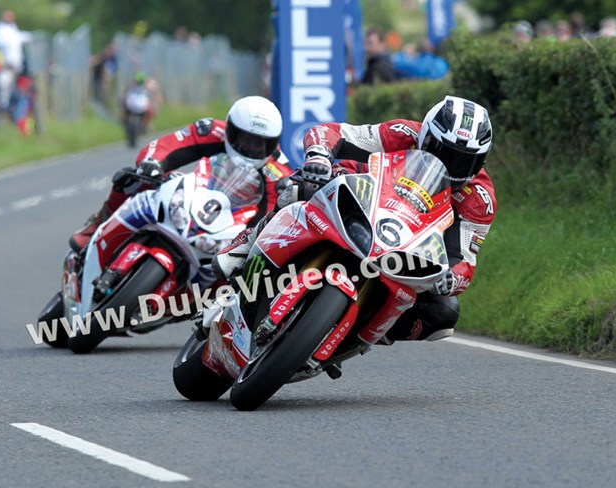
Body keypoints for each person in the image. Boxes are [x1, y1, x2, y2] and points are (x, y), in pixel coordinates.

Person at [213, 95, 496, 342]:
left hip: (406, 249)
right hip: (362, 196)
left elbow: (465, 261)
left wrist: (449, 279)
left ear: (480, 162)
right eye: (442, 151)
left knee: (444, 313)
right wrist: (319, 158)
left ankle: (362, 330)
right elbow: (332, 132)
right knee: (299, 186)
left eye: (463, 161)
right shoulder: (402, 133)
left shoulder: (480, 199)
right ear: (426, 136)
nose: (451, 166)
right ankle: (246, 244)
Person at [69, 95, 292, 252]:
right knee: (132, 179)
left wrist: (241, 244)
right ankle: (98, 225)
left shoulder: (279, 173)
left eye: (260, 144)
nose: (250, 148)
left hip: (232, 225)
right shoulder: (212, 130)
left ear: (273, 144)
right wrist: (152, 164)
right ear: (230, 129)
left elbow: (268, 221)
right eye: (244, 139)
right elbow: (166, 147)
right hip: (196, 193)